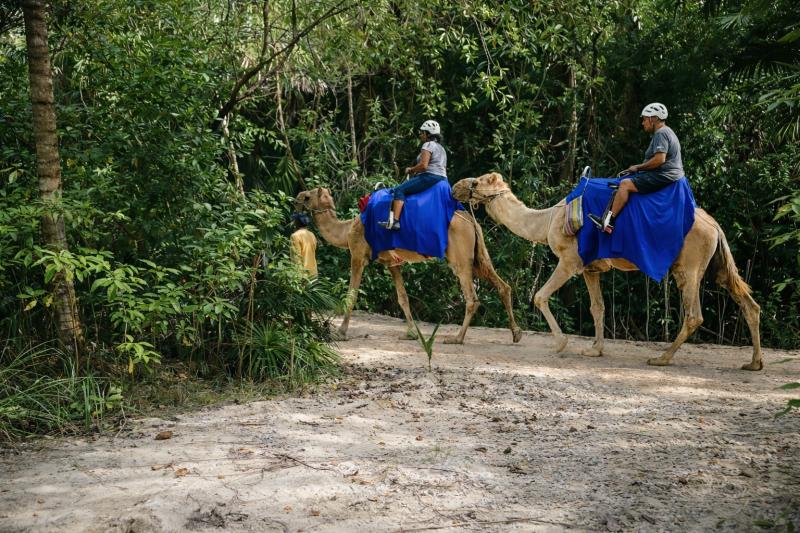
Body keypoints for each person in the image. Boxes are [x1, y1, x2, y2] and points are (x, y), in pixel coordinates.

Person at [589, 102, 684, 234]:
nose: (643, 123)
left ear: (654, 119)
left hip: (665, 175)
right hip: (668, 173)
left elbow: (659, 159)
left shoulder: (661, 133)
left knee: (625, 184)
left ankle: (609, 223)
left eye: (645, 119)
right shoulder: (667, 131)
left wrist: (638, 167)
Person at [381, 120, 448, 230]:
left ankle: (395, 222)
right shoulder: (441, 148)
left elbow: (424, 166)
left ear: (428, 134)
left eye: (422, 132)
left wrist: (411, 170)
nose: (420, 135)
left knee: (399, 190)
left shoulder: (428, 145)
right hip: (443, 179)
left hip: (430, 177)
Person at [290, 212, 318, 277]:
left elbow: (296, 257)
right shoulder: (312, 235)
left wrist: (298, 276)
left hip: (302, 275)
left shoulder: (295, 236)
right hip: (314, 273)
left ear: (297, 223)